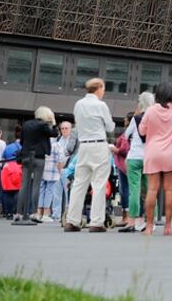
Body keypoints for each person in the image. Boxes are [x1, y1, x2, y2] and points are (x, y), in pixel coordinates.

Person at [65, 78, 115, 233]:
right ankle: (96, 222)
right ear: (98, 88)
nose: (104, 92)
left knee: (79, 184)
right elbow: (110, 126)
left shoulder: (78, 104)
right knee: (99, 184)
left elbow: (78, 123)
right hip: (99, 145)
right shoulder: (101, 105)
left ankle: (72, 221)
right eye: (103, 89)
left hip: (84, 146)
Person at [139, 81, 172, 236]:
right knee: (169, 189)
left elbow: (142, 131)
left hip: (153, 153)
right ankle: (168, 226)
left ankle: (150, 226)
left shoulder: (150, 111)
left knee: (152, 189)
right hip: (171, 154)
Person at [118, 93, 154, 232]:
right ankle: (150, 221)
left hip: (134, 157)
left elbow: (126, 135)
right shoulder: (155, 117)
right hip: (149, 157)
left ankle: (132, 221)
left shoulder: (136, 118)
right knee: (151, 190)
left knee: (134, 190)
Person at [16, 106, 57, 225]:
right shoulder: (43, 125)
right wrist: (53, 123)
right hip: (38, 157)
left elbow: (22, 141)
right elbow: (54, 134)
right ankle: (34, 213)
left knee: (23, 185)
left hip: (26, 156)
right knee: (36, 185)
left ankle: (18, 213)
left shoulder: (26, 124)